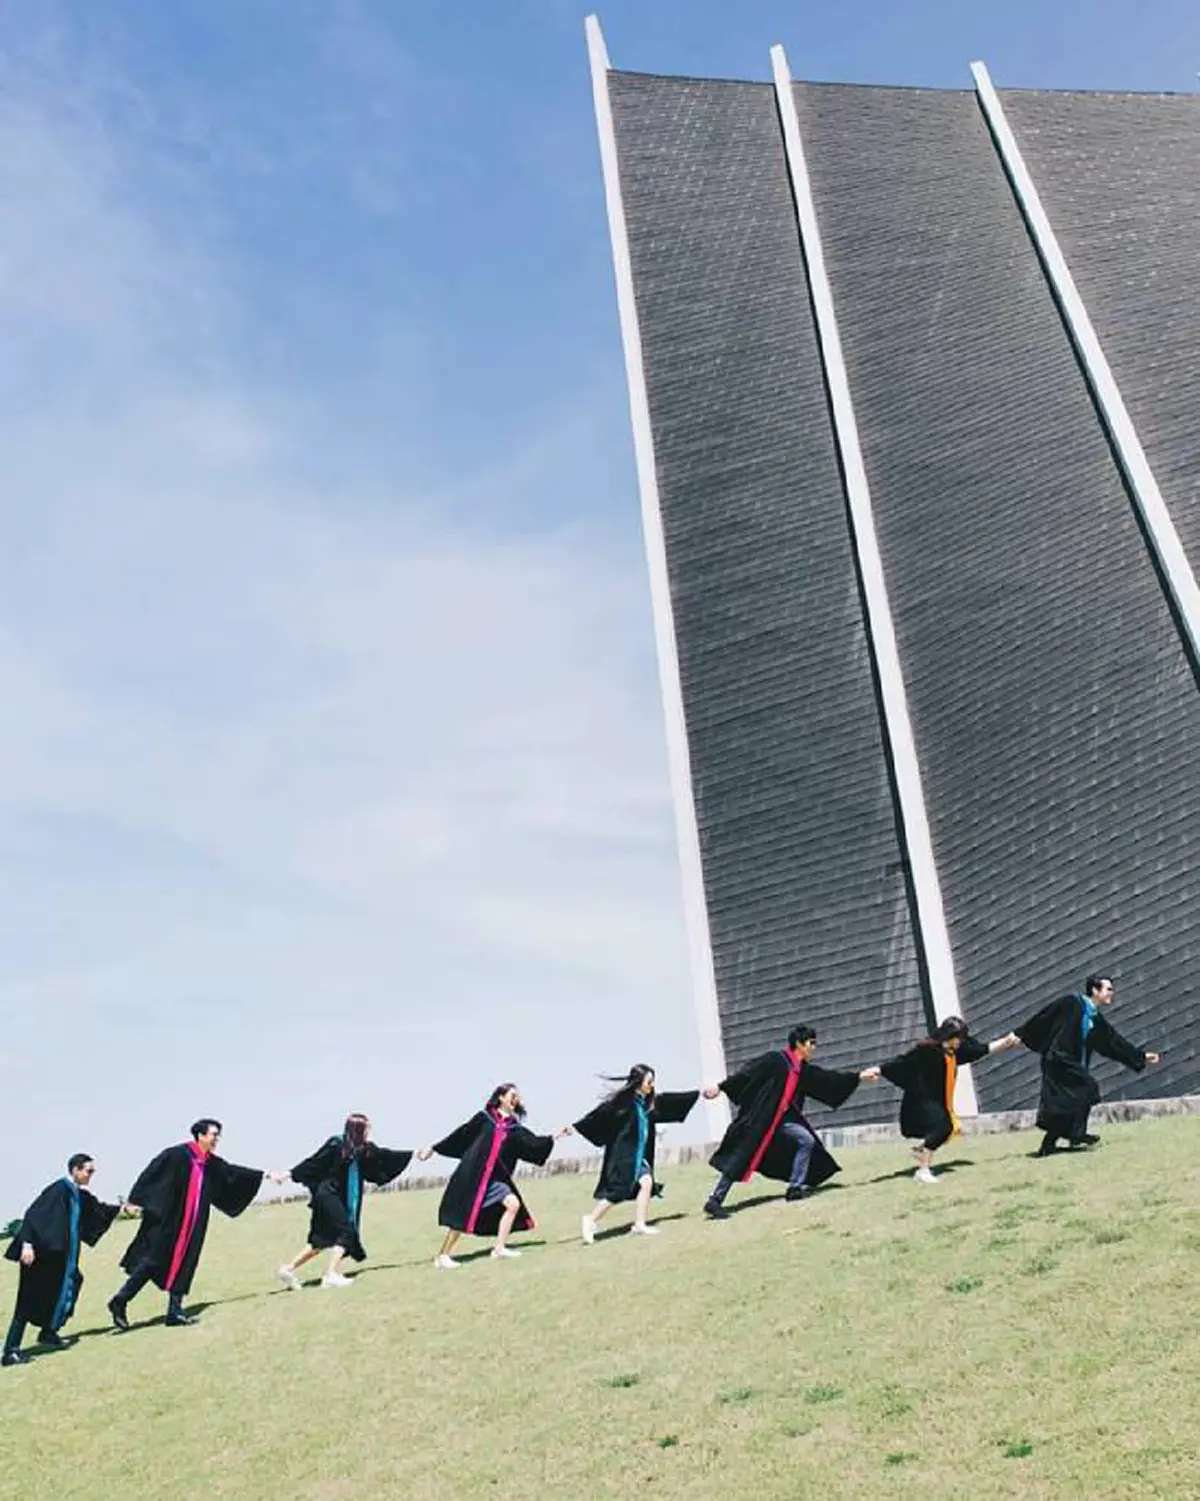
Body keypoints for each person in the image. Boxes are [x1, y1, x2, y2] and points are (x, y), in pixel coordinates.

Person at [108, 1119, 284, 1330]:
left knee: (186, 1262)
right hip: (170, 1220)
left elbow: (233, 1172)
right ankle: (120, 1301)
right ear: (200, 1135)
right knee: (152, 1261)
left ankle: (174, 1311)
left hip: (194, 1222)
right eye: (213, 1134)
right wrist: (134, 1200)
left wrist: (266, 1175)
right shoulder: (177, 1155)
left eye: (218, 1135)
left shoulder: (210, 1162)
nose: (217, 1139)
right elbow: (152, 1174)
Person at [701, 1026, 880, 1218]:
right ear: (799, 1044)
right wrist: (720, 1087)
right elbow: (747, 1074)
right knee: (741, 1157)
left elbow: (828, 1079)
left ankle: (795, 1187)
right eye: (811, 1043)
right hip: (762, 1119)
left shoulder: (803, 1070)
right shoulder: (775, 1061)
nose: (814, 1048)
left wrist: (859, 1076)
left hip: (784, 1121)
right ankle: (715, 1200)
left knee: (806, 1141)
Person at [418, 1085, 570, 1268]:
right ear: (501, 1098)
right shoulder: (484, 1118)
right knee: (462, 1216)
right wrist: (434, 1148)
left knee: (513, 1204)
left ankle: (499, 1248)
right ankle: (443, 1256)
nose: (517, 1100)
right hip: (474, 1177)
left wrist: (556, 1136)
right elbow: (462, 1134)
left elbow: (533, 1143)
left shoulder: (513, 1127)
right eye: (513, 1095)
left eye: (518, 1097)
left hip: (495, 1179)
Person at [1014, 975, 1160, 1156]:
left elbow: (1113, 1042)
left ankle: (1049, 1145)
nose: (1112, 993)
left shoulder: (1095, 1018)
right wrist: (1022, 1033)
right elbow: (1045, 1015)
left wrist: (1140, 1056)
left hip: (1072, 1064)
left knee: (1067, 1102)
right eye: (1108, 989)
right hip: (1059, 1060)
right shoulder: (1071, 1003)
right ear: (1095, 990)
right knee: (1087, 1088)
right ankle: (1076, 1134)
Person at [3, 1154, 122, 1367]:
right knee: (26, 1301)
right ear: (75, 1170)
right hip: (39, 1256)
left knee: (72, 1283)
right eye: (88, 1171)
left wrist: (122, 1208)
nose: (91, 1175)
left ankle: (49, 1332)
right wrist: (27, 1244)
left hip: (62, 1261)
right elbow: (33, 1215)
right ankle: (10, 1351)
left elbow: (99, 1210)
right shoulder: (58, 1190)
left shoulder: (78, 1195)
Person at [876, 1017, 1021, 1183]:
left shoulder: (954, 1052)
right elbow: (901, 1062)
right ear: (949, 1036)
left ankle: (922, 1151)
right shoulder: (928, 1050)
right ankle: (923, 1170)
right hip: (921, 1098)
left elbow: (982, 1049)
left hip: (937, 1100)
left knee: (947, 1129)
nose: (961, 1042)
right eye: (959, 1038)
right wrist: (878, 1070)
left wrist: (1007, 1041)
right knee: (943, 1127)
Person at [278, 1114, 413, 1290]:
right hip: (327, 1195)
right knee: (347, 1232)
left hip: (336, 1197)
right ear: (358, 1130)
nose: (368, 1132)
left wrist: (412, 1154)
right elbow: (313, 1162)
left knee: (321, 1239)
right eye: (366, 1129)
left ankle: (288, 1269)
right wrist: (288, 1174)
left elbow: (384, 1156)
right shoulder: (336, 1144)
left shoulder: (364, 1149)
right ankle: (330, 1275)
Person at [573, 1065, 699, 1244]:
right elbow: (599, 1115)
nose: (651, 1085)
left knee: (647, 1183)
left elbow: (669, 1101)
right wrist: (575, 1127)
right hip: (625, 1157)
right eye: (649, 1081)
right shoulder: (624, 1104)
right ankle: (591, 1219)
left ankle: (639, 1224)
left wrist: (695, 1095)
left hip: (639, 1157)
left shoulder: (646, 1103)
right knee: (618, 1192)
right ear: (638, 1082)